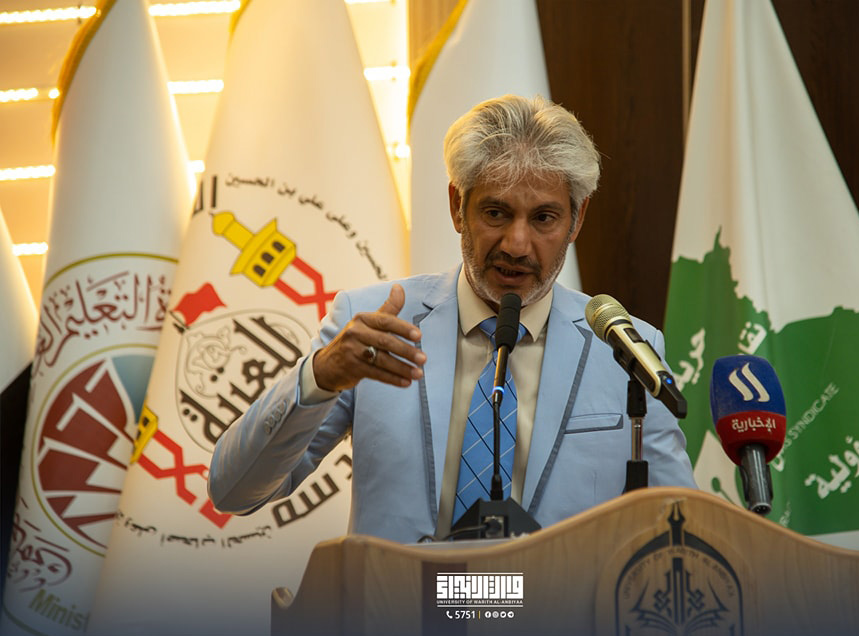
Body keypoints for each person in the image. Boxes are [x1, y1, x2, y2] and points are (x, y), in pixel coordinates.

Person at [208, 95, 696, 543]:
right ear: (457, 207)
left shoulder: (626, 351)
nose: (517, 244)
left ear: (577, 219)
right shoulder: (371, 324)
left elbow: (684, 525)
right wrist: (319, 376)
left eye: (543, 218)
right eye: (496, 213)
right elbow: (234, 491)